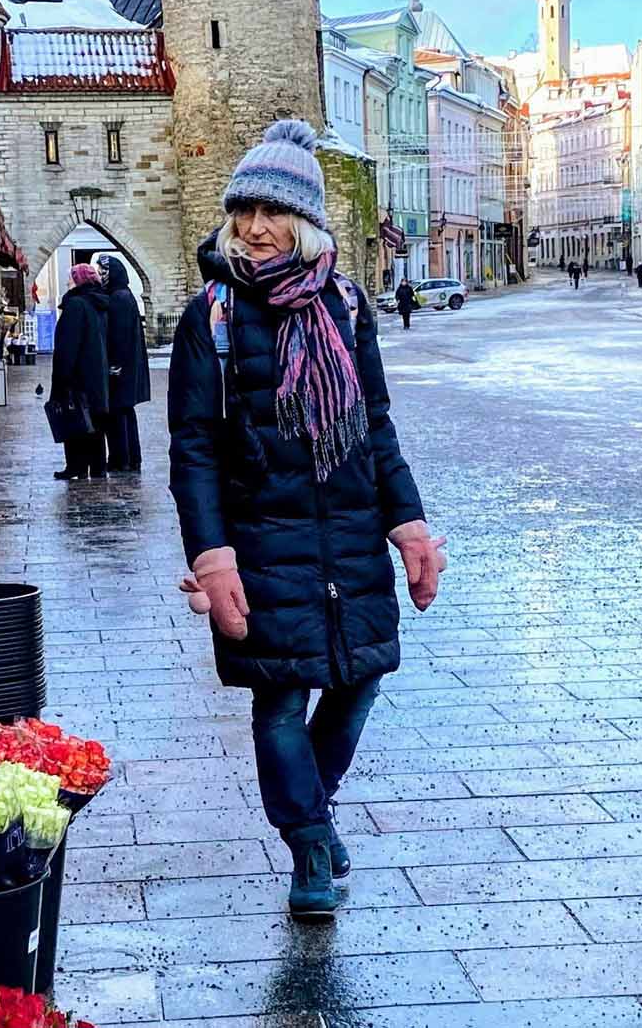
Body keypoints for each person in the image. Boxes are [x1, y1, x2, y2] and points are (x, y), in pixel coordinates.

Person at [168, 119, 446, 922]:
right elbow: (193, 449)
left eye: (273, 211)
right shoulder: (211, 316)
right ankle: (308, 847)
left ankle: (312, 810)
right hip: (263, 541)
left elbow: (377, 422)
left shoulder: (347, 305)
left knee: (361, 678)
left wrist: (411, 522)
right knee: (282, 698)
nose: (256, 227)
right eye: (245, 209)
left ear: (307, 220)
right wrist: (212, 553)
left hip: (350, 534)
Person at [51, 263, 110, 480]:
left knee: (75, 418)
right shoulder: (98, 303)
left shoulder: (76, 304)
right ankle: (97, 466)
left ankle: (76, 465)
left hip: (78, 375)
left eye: (70, 278)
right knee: (94, 421)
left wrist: (62, 377)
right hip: (96, 373)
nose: (68, 282)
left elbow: (68, 346)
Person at [99, 255, 151, 472]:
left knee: (119, 413)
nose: (102, 276)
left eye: (104, 272)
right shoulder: (122, 295)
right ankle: (130, 457)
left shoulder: (119, 297)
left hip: (121, 368)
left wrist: (115, 363)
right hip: (126, 367)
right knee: (125, 412)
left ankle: (122, 459)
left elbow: (119, 335)